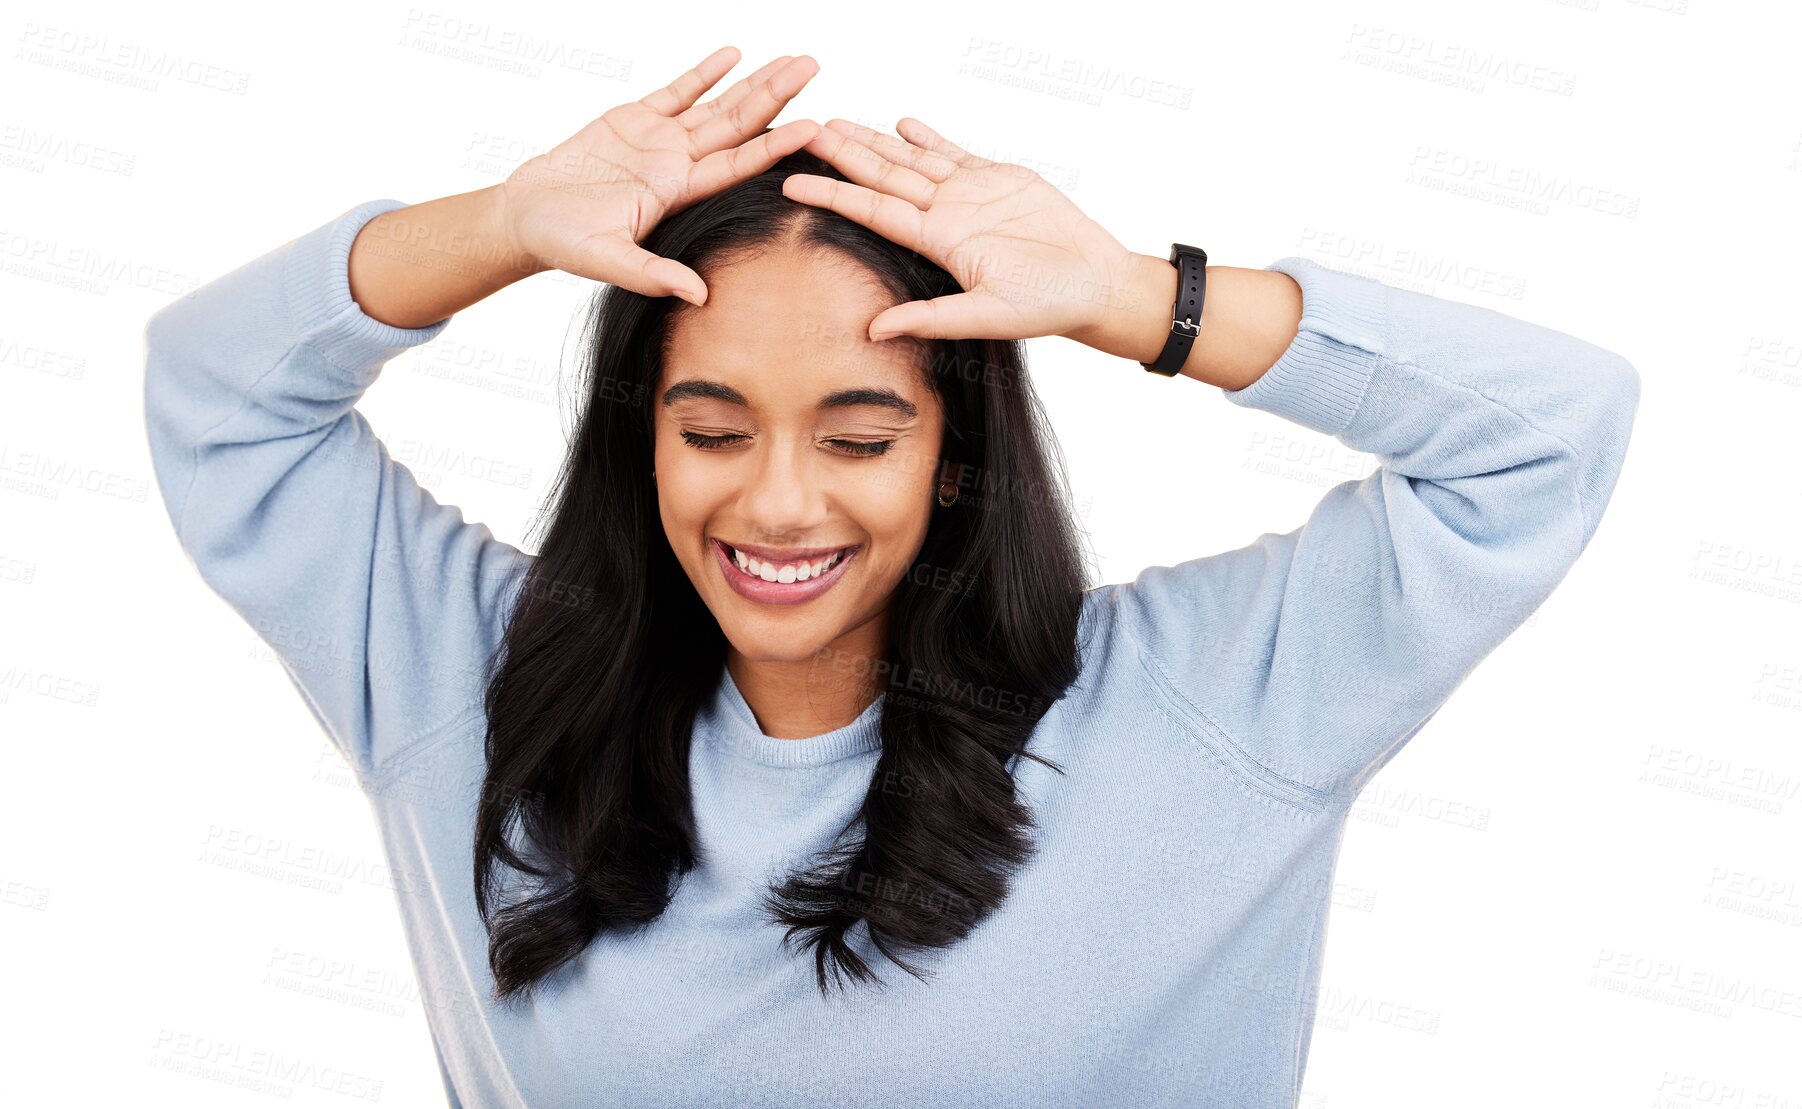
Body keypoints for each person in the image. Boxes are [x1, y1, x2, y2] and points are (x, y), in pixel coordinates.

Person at [142, 44, 1640, 1109]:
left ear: (950, 448)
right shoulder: (470, 682)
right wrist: (499, 230)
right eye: (709, 426)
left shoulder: (1208, 701)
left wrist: (1133, 297)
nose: (777, 500)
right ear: (638, 443)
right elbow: (211, 395)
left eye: (859, 436)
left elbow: (1547, 433)